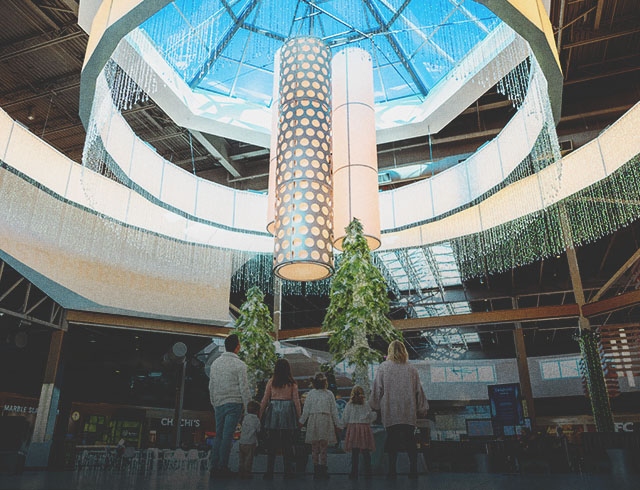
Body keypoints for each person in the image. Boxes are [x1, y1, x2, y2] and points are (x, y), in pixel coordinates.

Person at [370, 340, 428, 479]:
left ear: (390, 351)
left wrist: (374, 405)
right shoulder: (411, 369)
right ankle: (413, 470)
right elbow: (418, 390)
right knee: (410, 440)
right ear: (404, 351)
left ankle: (392, 471)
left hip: (390, 410)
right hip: (408, 410)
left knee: (392, 441)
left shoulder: (384, 367)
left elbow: (377, 388)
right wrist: (422, 407)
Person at [208, 334, 251, 478]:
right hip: (234, 403)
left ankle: (214, 466)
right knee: (228, 436)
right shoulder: (240, 365)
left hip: (219, 403)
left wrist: (214, 403)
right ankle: (223, 467)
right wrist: (248, 406)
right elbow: (244, 388)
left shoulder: (215, 364)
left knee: (218, 435)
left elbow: (211, 386)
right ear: (237, 347)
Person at [260, 358, 301, 479]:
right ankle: (288, 472)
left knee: (272, 443)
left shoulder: (271, 381)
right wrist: (300, 418)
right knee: (287, 443)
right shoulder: (292, 383)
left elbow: (265, 399)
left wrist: (260, 414)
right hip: (288, 413)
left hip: (274, 412)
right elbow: (296, 401)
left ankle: (269, 472)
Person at [299, 373, 341, 480]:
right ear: (325, 382)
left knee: (314, 448)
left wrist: (301, 422)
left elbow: (306, 410)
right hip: (325, 420)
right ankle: (323, 469)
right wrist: (338, 424)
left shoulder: (311, 394)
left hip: (314, 421)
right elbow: (334, 411)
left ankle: (316, 470)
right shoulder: (329, 394)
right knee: (323, 447)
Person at [342, 385, 376, 480]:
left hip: (353, 428)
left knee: (355, 452)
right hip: (364, 429)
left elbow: (345, 418)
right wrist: (375, 415)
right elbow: (371, 417)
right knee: (365, 452)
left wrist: (342, 426)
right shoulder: (366, 404)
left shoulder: (349, 405)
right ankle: (368, 473)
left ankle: (354, 473)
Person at [238, 400, 261, 479]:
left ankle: (240, 472)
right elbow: (258, 430)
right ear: (257, 411)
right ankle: (247, 473)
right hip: (250, 442)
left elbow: (241, 423)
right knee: (248, 459)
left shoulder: (245, 417)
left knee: (241, 459)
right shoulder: (256, 420)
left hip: (241, 442)